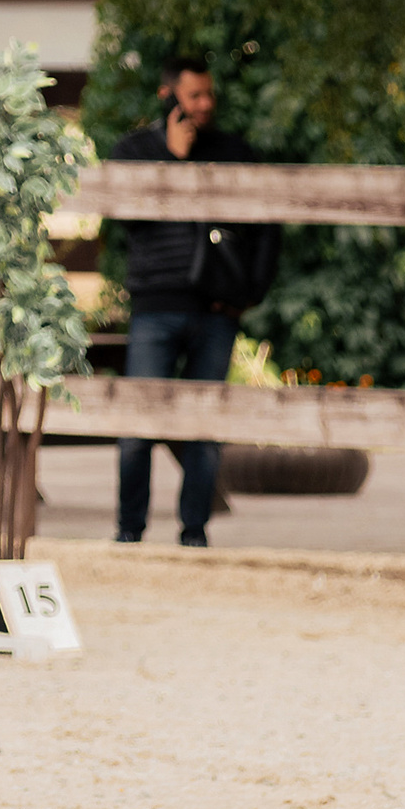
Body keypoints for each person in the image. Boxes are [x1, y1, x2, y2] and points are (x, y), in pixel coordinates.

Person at [106, 55, 278, 546]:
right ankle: (129, 531)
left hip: (216, 310)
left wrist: (250, 294)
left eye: (209, 95)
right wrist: (175, 163)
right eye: (194, 95)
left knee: (204, 426)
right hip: (154, 307)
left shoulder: (233, 153)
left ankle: (194, 532)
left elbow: (269, 227)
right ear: (169, 97)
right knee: (138, 424)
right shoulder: (134, 152)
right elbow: (127, 221)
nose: (205, 105)